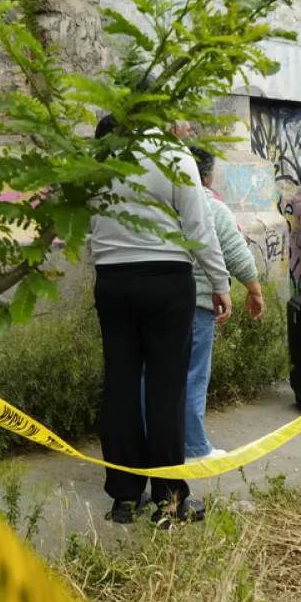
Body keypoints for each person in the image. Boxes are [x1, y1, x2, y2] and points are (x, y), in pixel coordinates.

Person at [90, 115, 231, 527]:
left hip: (112, 281)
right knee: (166, 390)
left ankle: (124, 501)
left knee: (119, 388)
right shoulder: (173, 155)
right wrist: (219, 282)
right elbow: (198, 227)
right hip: (166, 280)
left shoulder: (100, 157)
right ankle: (169, 501)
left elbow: (89, 227)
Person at [181, 148, 263, 461]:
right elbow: (234, 252)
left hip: (161, 301)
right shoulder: (209, 204)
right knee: (193, 375)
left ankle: (154, 446)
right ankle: (193, 447)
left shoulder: (160, 204)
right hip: (199, 302)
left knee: (155, 375)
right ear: (208, 175)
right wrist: (254, 291)